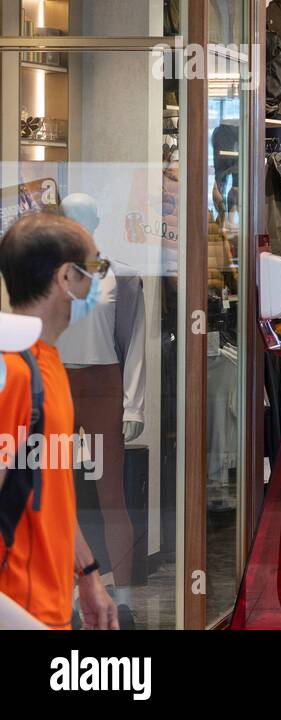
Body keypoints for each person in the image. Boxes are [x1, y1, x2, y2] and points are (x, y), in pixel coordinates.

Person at [0, 213, 118, 630]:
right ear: (67, 277)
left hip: (48, 608)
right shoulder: (12, 373)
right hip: (18, 610)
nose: (98, 281)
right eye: (95, 269)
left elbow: (47, 485)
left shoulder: (47, 364)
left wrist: (88, 574)